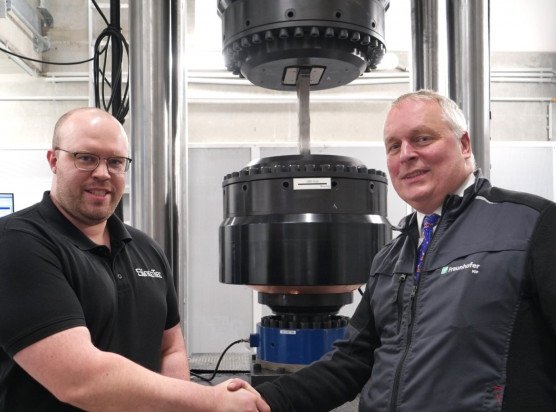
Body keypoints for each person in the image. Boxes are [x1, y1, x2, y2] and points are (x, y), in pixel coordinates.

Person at [250, 90, 556, 411]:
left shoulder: (532, 225)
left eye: (422, 138)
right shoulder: (391, 257)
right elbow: (352, 361)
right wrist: (264, 400)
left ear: (464, 145)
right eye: (394, 146)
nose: (406, 155)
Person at [0, 107, 270, 412]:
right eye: (86, 158)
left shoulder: (146, 248)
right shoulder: (17, 242)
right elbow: (79, 379)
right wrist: (210, 400)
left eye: (115, 162)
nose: (103, 173)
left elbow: (169, 348)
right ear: (53, 160)